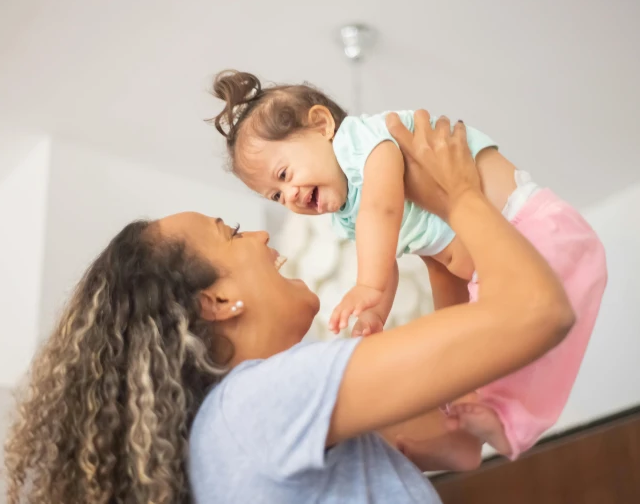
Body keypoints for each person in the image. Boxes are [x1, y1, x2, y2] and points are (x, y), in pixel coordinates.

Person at [3, 113, 575, 504]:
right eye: (230, 233)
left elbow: (459, 440)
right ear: (219, 301)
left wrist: (432, 247)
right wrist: (460, 196)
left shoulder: (240, 432)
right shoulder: (259, 403)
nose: (258, 232)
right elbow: (539, 310)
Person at [209, 71, 607, 464]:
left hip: (532, 226)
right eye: (276, 196)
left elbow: (383, 211)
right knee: (495, 350)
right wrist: (375, 309)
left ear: (321, 125)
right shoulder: (347, 212)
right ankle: (482, 422)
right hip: (492, 266)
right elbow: (393, 255)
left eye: (284, 175)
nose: (290, 196)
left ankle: (505, 422)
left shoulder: (365, 143)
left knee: (543, 327)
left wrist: (367, 283)